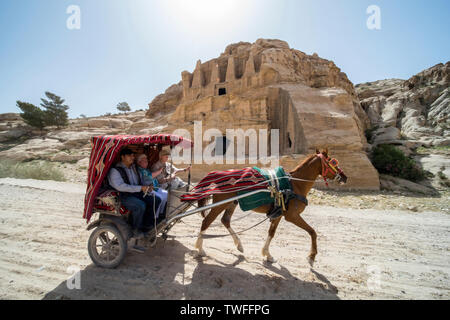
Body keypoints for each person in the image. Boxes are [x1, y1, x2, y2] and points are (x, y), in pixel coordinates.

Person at [107, 148, 162, 244]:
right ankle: (135, 229)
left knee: (156, 200)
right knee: (140, 205)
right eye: (130, 156)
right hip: (123, 196)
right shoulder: (115, 171)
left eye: (133, 155)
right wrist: (140, 188)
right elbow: (121, 187)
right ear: (122, 157)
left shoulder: (134, 168)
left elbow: (141, 181)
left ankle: (147, 225)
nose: (132, 158)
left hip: (136, 193)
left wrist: (149, 185)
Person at [136, 153, 168, 221]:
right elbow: (150, 176)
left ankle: (161, 213)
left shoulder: (146, 169)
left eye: (146, 161)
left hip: (155, 188)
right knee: (160, 198)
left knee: (167, 194)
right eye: (144, 161)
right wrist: (159, 171)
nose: (146, 163)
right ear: (139, 162)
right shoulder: (140, 170)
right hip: (148, 189)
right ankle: (155, 217)